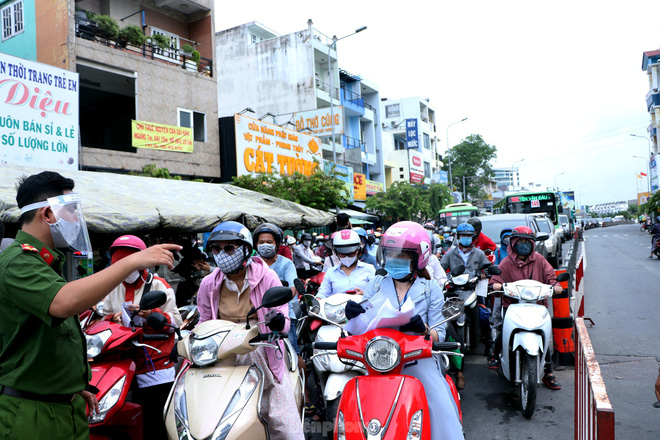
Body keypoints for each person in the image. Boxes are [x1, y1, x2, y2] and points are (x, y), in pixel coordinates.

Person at [0, 171, 179, 440]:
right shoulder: (18, 262)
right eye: (70, 210)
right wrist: (131, 262)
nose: (75, 219)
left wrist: (72, 386)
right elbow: (64, 302)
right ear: (47, 214)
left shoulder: (46, 263)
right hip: (31, 412)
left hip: (62, 404)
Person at [344, 221, 464, 440]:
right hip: (379, 359)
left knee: (439, 406)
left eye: (401, 255)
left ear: (419, 258)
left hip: (418, 358)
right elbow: (362, 326)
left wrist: (423, 329)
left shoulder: (431, 289)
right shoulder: (377, 284)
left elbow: (441, 334)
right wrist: (353, 314)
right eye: (390, 254)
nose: (394, 259)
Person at [196, 221, 304, 440]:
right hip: (221, 352)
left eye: (229, 248)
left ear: (245, 249)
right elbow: (204, 320)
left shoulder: (267, 277)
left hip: (260, 347)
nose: (222, 254)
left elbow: (281, 315)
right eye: (216, 249)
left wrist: (276, 321)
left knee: (281, 419)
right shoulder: (208, 283)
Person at [102, 235, 182, 440]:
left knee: (155, 422)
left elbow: (176, 322)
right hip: (121, 363)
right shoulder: (111, 284)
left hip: (154, 363)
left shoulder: (158, 285)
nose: (124, 270)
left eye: (129, 263)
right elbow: (102, 317)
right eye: (119, 264)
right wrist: (114, 317)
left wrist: (154, 315)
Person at [489, 226, 562, 390]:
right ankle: (494, 353)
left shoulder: (540, 260)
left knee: (542, 335)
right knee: (504, 331)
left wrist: (555, 286)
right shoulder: (506, 262)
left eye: (526, 241)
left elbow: (551, 278)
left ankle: (549, 372)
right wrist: (495, 285)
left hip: (537, 306)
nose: (523, 244)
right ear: (513, 243)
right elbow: (495, 278)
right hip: (512, 306)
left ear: (532, 243)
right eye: (519, 241)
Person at [440, 222, 490, 389]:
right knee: (447, 323)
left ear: (473, 237)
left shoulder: (479, 253)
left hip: (472, 290)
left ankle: (487, 345)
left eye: (469, 236)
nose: (466, 239)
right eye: (464, 236)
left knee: (483, 316)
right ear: (458, 237)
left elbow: (487, 268)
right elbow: (441, 269)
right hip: (454, 292)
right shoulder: (450, 253)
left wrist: (484, 273)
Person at [253, 223, 300, 353]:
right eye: (261, 242)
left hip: (282, 315)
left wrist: (275, 300)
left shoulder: (286, 264)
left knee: (291, 351)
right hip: (256, 316)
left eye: (269, 242)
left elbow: (292, 289)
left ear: (277, 244)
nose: (265, 244)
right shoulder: (251, 264)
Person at [317, 229, 375, 299]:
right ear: (336, 252)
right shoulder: (330, 272)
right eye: (342, 254)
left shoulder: (369, 269)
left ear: (358, 251)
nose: (347, 257)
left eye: (351, 253)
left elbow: (377, 294)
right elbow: (322, 295)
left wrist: (364, 295)